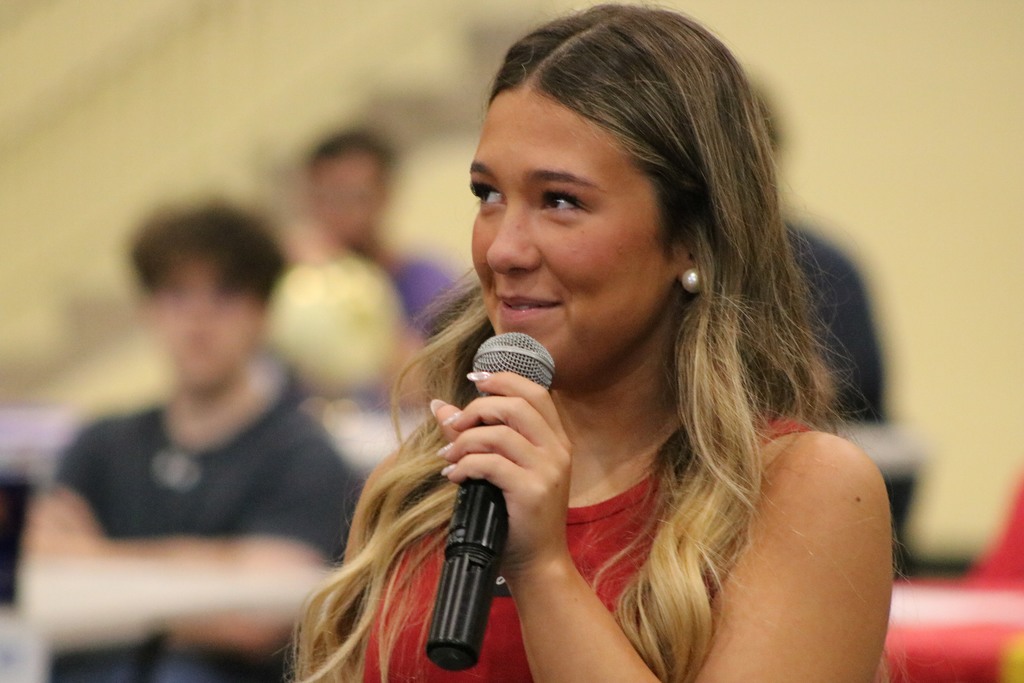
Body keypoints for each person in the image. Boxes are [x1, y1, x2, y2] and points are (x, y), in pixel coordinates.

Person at [294, 5, 893, 683]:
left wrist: (544, 569)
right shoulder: (415, 488)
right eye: (487, 194)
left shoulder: (805, 491)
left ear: (691, 234)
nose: (504, 248)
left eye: (560, 201)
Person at [28, 200, 363, 683]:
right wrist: (214, 574)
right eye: (177, 294)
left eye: (224, 295)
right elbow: (36, 563)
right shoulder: (100, 443)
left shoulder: (304, 456)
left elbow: (258, 616)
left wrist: (96, 561)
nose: (198, 320)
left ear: (262, 312)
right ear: (149, 309)